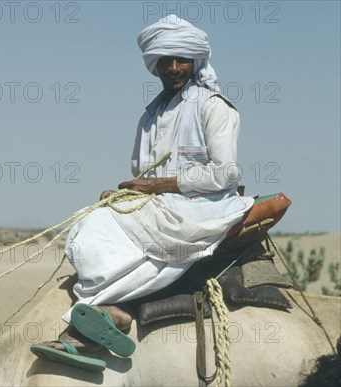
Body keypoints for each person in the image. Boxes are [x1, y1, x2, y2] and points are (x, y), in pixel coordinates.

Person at [30, 15, 254, 372]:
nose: (175, 67)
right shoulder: (151, 114)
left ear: (195, 62)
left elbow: (226, 172)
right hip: (159, 202)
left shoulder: (214, 106)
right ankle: (112, 310)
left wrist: (159, 186)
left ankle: (102, 316)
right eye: (166, 60)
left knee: (102, 227)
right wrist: (128, 190)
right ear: (155, 66)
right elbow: (142, 173)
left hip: (204, 207)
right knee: (90, 224)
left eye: (182, 59)